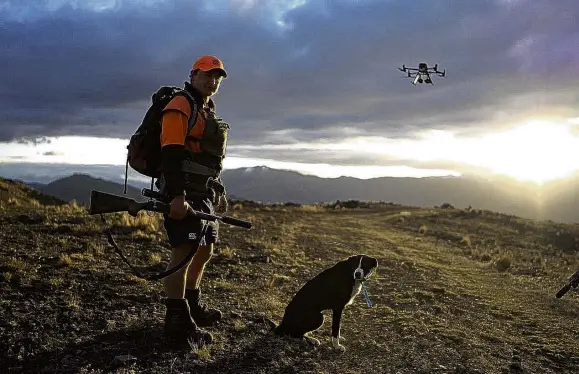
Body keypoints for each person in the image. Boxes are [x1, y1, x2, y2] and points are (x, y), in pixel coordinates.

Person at [157, 55, 230, 346]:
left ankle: (192, 304)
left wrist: (219, 191)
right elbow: (171, 152)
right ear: (193, 74)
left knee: (205, 250)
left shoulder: (206, 108)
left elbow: (208, 158)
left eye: (217, 77)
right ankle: (176, 319)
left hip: (203, 192)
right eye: (207, 75)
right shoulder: (181, 104)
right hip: (183, 191)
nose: (212, 81)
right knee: (183, 252)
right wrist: (176, 196)